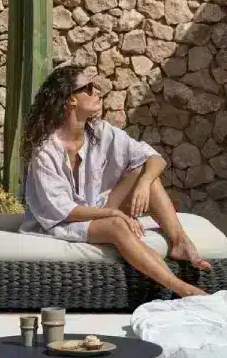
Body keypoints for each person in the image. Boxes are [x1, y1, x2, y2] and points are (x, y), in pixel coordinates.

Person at [21, 63, 210, 298]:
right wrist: (114, 214)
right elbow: (65, 211)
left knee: (145, 175)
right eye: (88, 88)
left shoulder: (100, 132)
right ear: (71, 100)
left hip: (96, 208)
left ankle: (180, 242)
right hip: (61, 222)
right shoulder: (46, 152)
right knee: (117, 225)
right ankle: (182, 289)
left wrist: (144, 183)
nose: (97, 91)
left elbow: (155, 158)